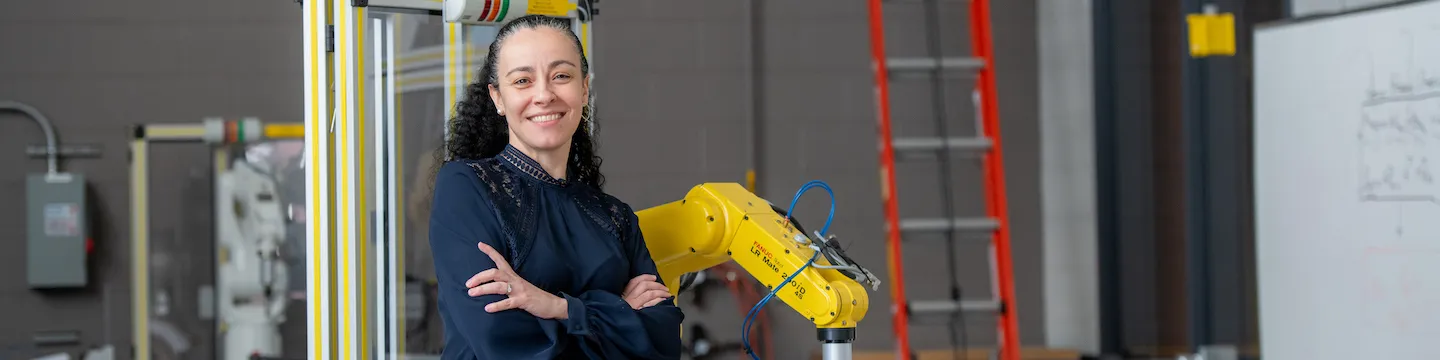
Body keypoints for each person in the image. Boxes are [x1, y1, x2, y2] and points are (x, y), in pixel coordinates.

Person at [426, 14, 684, 360]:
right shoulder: (467, 188)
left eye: (561, 76)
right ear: (498, 98)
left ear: (584, 89)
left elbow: (662, 339)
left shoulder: (614, 216)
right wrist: (617, 313)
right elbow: (500, 342)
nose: (544, 94)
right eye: (522, 80)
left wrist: (556, 307)